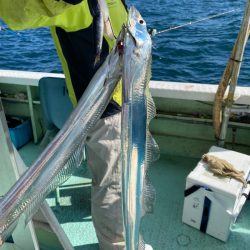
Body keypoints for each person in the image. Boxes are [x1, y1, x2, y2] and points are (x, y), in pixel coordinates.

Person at [0, 0, 127, 249]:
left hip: (131, 100)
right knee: (113, 188)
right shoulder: (73, 4)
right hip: (104, 112)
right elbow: (16, 12)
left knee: (126, 182)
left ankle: (131, 237)